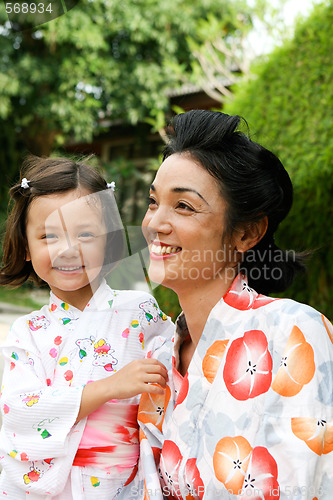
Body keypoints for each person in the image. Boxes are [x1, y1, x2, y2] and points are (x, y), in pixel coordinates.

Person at [125, 110, 333, 499]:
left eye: (183, 206)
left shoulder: (291, 333)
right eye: (154, 202)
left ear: (247, 232)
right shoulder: (158, 355)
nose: (155, 223)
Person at [0, 156, 173, 499]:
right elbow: (20, 409)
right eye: (49, 235)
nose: (68, 249)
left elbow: (175, 376)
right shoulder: (28, 331)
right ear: (27, 247)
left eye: (85, 234)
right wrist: (109, 387)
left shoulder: (139, 310)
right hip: (53, 486)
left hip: (124, 482)